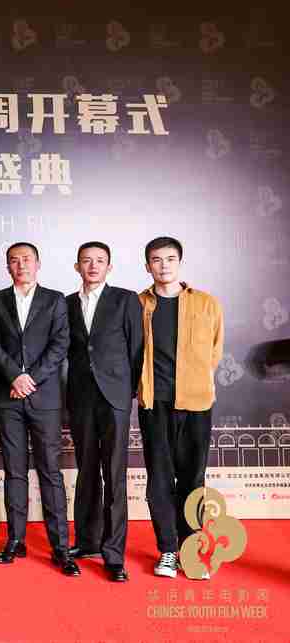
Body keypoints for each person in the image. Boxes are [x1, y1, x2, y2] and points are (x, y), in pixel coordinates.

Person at [0, 242, 79, 576]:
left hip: (44, 397)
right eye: (14, 260)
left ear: (38, 264)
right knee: (14, 471)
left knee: (50, 472)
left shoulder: (55, 300)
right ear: (7, 266)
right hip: (7, 397)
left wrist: (30, 378)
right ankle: (15, 541)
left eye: (26, 259)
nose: (21, 265)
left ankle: (60, 547)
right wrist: (14, 376)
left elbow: (60, 344)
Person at [137, 237, 223, 580]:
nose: (164, 266)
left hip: (196, 403)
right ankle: (168, 551)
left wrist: (195, 382)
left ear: (180, 262)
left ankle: (192, 551)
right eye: (156, 260)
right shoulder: (138, 304)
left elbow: (215, 350)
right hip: (154, 402)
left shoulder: (206, 303)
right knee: (159, 478)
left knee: (193, 478)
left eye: (170, 259)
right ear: (147, 266)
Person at [65, 242, 143, 583]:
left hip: (115, 397)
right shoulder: (66, 304)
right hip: (81, 397)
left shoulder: (125, 299)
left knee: (114, 474)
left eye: (100, 261)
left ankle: (114, 554)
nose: (93, 266)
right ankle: (86, 541)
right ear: (77, 266)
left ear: (109, 267)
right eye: (87, 261)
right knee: (86, 470)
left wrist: (129, 390)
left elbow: (137, 348)